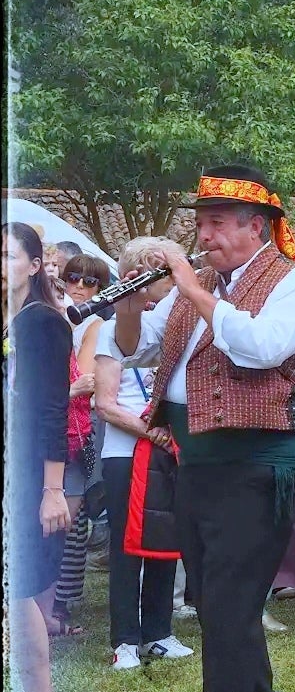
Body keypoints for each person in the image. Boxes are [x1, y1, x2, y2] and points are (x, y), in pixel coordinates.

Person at [110, 165, 295, 692]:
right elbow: (137, 349)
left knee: (228, 605)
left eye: (216, 224)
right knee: (210, 597)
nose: (203, 236)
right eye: (199, 223)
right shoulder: (196, 285)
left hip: (258, 467)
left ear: (256, 227)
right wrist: (129, 298)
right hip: (194, 459)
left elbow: (258, 348)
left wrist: (188, 284)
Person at [94, 237, 193, 669]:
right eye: (160, 269)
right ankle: (125, 641)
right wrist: (150, 432)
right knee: (126, 546)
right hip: (126, 451)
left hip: (168, 448)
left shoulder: (175, 321)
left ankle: (159, 632)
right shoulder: (110, 327)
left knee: (165, 538)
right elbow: (106, 402)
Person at [4, 222, 73, 692]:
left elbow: (52, 410)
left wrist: (52, 490)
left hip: (28, 474)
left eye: (8, 256)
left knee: (19, 588)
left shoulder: (41, 323)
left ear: (33, 264)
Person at [53, 252, 113, 636]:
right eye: (72, 278)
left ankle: (59, 606)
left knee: (70, 518)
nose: (78, 286)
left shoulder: (93, 323)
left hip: (77, 427)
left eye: (89, 282)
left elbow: (86, 380)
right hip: (51, 419)